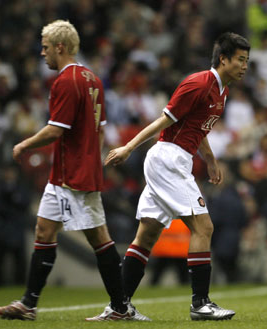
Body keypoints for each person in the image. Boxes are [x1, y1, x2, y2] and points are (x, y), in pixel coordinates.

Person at [0, 20, 148, 322]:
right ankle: (28, 304)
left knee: (99, 238)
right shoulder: (93, 79)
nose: (42, 53)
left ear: (60, 47)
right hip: (67, 173)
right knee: (44, 231)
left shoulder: (66, 81)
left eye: (46, 47)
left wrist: (24, 145)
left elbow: (55, 131)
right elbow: (100, 131)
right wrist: (92, 158)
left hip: (74, 175)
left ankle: (121, 306)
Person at [104, 32, 250, 321]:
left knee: (147, 234)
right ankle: (200, 303)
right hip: (168, 158)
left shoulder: (222, 90)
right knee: (203, 227)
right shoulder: (198, 84)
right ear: (223, 59)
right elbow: (163, 121)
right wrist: (129, 147)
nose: (245, 66)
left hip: (175, 159)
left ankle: (119, 307)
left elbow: (197, 128)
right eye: (241, 60)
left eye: (247, 61)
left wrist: (209, 158)